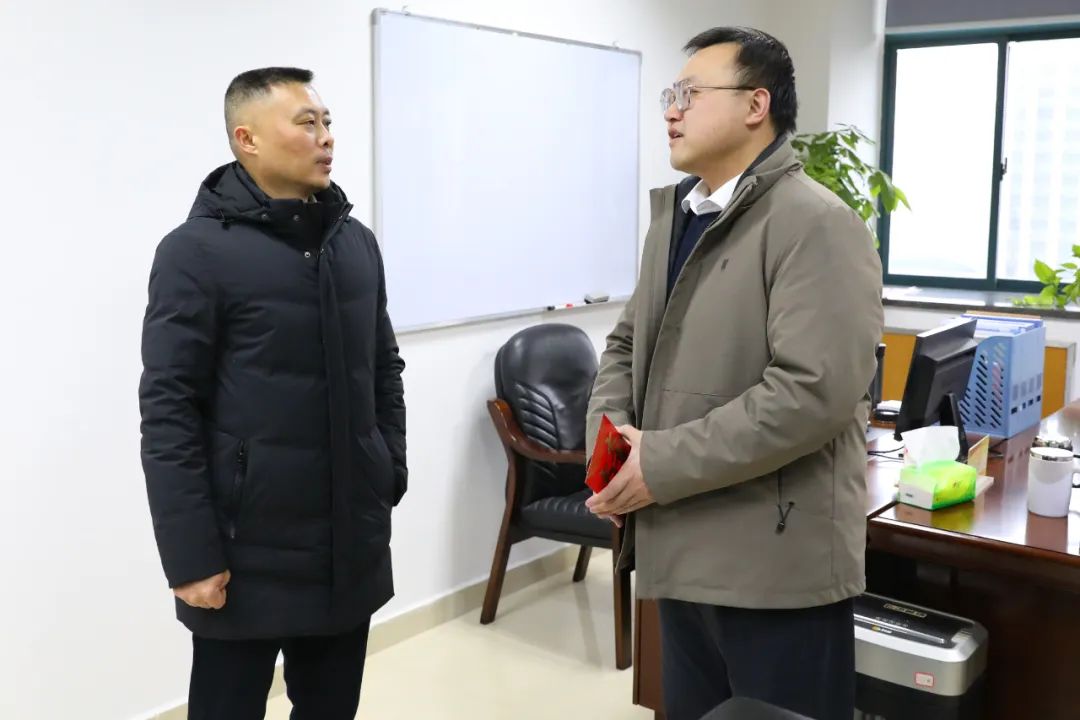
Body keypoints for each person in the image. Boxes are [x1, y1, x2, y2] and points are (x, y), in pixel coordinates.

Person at [585, 27, 883, 720]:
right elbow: (627, 343)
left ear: (756, 105)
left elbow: (811, 393)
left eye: (690, 94)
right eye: (671, 95)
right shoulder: (677, 220)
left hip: (772, 568)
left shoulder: (816, 223)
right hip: (681, 547)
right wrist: (613, 446)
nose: (671, 110)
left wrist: (659, 462)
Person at [139, 67, 406, 720]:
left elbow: (383, 368)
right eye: (307, 123)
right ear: (247, 138)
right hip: (244, 551)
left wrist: (387, 468)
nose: (326, 137)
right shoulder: (195, 252)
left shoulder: (356, 244)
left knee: (331, 708)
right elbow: (169, 409)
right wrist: (190, 555)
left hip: (348, 538)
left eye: (328, 122)